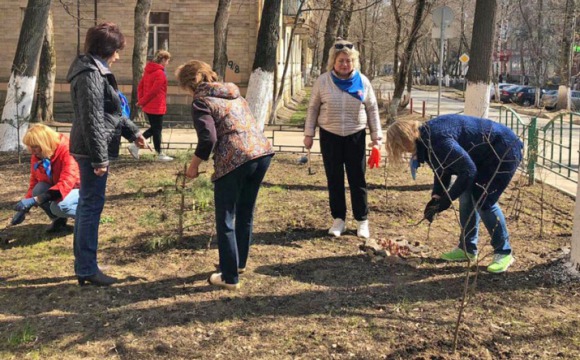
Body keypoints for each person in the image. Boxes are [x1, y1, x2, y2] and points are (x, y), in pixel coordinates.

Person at [175, 60, 274, 291]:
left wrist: (193, 166)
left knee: (226, 217)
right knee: (245, 211)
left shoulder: (202, 102)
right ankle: (238, 264)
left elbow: (208, 138)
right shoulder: (234, 94)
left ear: (189, 85)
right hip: (261, 154)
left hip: (235, 160)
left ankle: (229, 277)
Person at [385, 114, 523, 273]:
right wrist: (436, 197)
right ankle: (467, 249)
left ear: (405, 140)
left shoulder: (437, 139)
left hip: (504, 150)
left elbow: (468, 171)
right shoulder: (425, 139)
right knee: (466, 196)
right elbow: (442, 168)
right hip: (483, 156)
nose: (403, 151)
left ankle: (503, 252)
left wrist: (446, 201)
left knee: (483, 199)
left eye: (400, 147)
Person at [66, 22, 148, 286]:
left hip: (91, 147)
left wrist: (134, 132)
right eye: (117, 50)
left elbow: (112, 113)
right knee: (90, 207)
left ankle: (85, 265)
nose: (119, 55)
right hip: (92, 150)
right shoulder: (90, 73)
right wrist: (100, 158)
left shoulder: (96, 71)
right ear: (107, 48)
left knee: (88, 206)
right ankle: (87, 268)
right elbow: (92, 119)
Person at [303, 39, 382, 239]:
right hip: (330, 136)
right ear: (333, 62)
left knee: (358, 179)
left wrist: (376, 137)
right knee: (334, 179)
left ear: (353, 62)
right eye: (341, 61)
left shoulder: (363, 81)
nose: (344, 64)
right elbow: (312, 108)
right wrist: (308, 134)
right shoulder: (323, 81)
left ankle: (362, 221)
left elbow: (372, 109)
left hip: (355, 135)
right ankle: (339, 219)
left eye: (348, 60)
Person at [12, 124, 80, 233]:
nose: (31, 151)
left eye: (34, 146)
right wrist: (24, 209)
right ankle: (59, 222)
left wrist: (36, 200)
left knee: (59, 206)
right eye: (30, 147)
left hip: (82, 190)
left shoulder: (67, 150)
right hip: (60, 189)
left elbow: (67, 182)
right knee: (38, 189)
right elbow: (34, 182)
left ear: (45, 143)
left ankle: (87, 218)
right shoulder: (39, 155)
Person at [130, 50, 173, 161]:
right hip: (157, 105)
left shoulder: (148, 72)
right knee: (156, 129)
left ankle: (136, 145)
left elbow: (140, 86)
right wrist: (142, 101)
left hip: (149, 106)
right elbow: (154, 91)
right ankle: (158, 153)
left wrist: (141, 100)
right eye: (167, 60)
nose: (167, 63)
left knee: (155, 129)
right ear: (163, 60)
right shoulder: (160, 74)